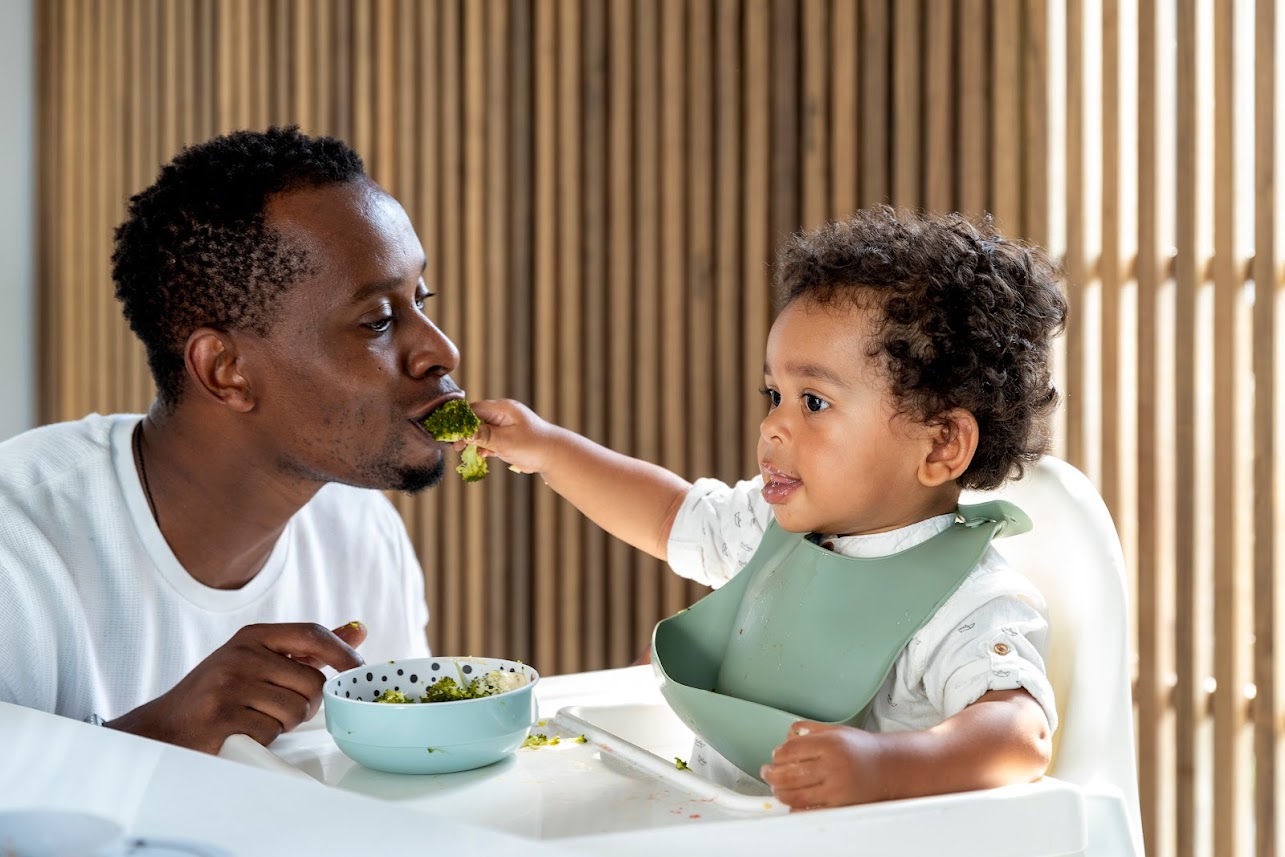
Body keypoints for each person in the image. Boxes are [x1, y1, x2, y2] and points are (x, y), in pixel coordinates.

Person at [461, 207, 1067, 809]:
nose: (773, 424)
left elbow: (1019, 733)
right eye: (774, 394)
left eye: (814, 401)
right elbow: (669, 513)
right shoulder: (773, 528)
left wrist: (880, 766)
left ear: (941, 443)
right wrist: (546, 447)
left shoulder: (968, 602)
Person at [0, 126, 465, 755]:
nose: (441, 349)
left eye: (421, 299)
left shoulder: (358, 530)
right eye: (377, 320)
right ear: (226, 369)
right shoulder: (19, 544)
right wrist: (159, 740)